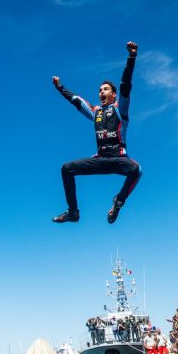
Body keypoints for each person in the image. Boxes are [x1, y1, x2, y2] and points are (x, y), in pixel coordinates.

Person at [52, 41, 142, 224]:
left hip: (118, 160)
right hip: (100, 160)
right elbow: (76, 101)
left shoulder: (120, 110)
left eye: (105, 89)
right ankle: (73, 212)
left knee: (136, 169)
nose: (101, 92)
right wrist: (60, 87)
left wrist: (131, 57)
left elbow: (125, 85)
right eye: (100, 90)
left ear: (113, 94)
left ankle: (118, 202)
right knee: (66, 168)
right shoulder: (95, 112)